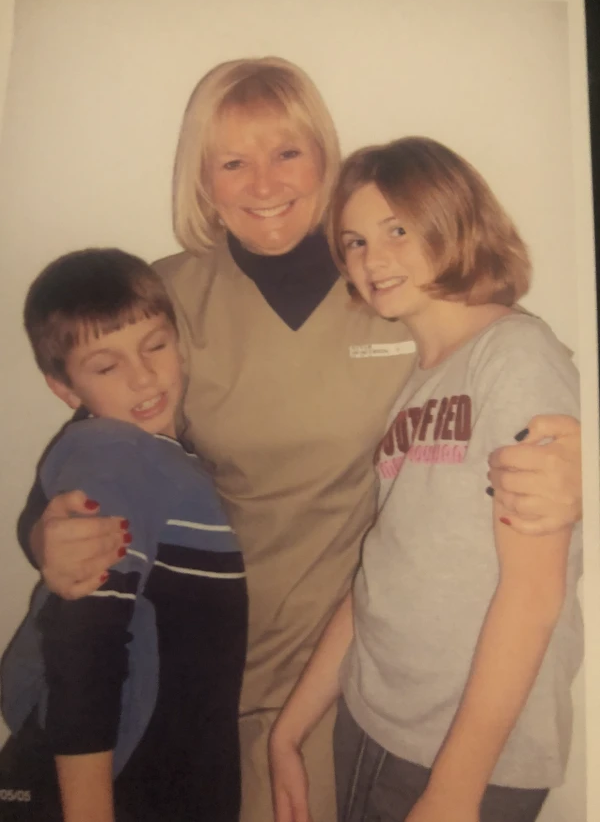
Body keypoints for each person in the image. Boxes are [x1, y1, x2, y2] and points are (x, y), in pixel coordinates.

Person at [15, 59, 583, 822]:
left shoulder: (393, 289)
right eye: (233, 161)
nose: (263, 183)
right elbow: (97, 437)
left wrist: (584, 463)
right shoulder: (173, 293)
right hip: (219, 650)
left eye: (287, 152)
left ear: (327, 156)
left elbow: (507, 381)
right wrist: (42, 529)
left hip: (362, 667)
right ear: (203, 179)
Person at [269, 137, 583, 822]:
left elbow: (533, 594)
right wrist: (290, 728)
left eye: (397, 230)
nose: (370, 259)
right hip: (372, 724)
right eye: (353, 241)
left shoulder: (516, 355)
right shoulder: (417, 383)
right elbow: (380, 569)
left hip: (466, 760)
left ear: (454, 219)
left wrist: (454, 790)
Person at [1, 249, 247, 822]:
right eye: (106, 367)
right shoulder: (113, 458)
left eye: (155, 346)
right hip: (124, 788)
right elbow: (85, 647)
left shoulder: (154, 458)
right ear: (64, 389)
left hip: (161, 774)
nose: (143, 376)